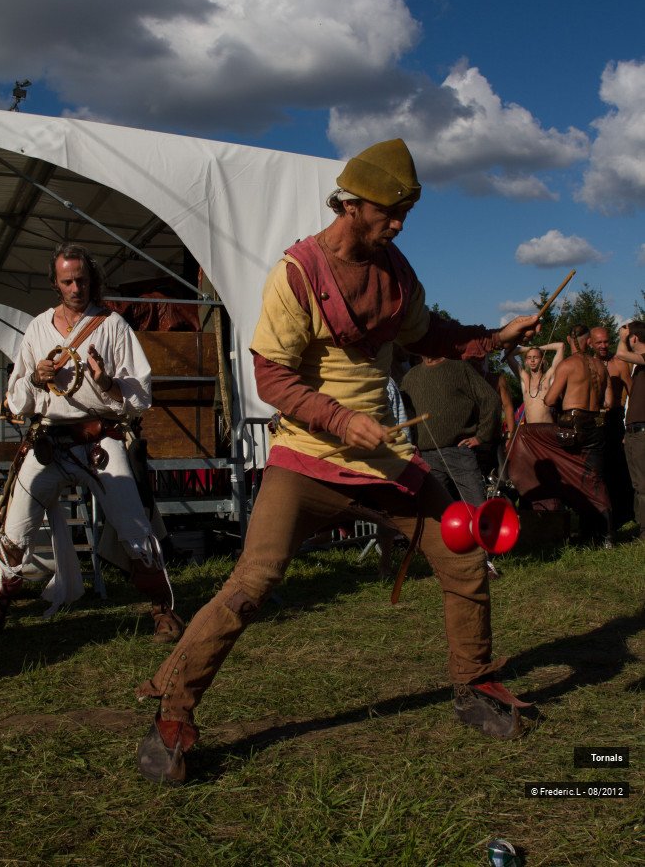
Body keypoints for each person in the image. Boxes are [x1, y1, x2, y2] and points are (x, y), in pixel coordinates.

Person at [135, 138, 540, 785]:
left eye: (407, 210)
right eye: (391, 208)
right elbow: (270, 376)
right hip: (306, 460)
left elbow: (426, 336)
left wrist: (494, 336)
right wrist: (338, 418)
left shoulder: (396, 273)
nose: (400, 222)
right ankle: (172, 712)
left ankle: (475, 685)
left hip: (385, 463)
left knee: (463, 558)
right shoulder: (296, 273)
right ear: (351, 203)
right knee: (250, 585)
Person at [0, 244, 184, 642]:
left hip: (100, 439)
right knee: (15, 531)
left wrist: (106, 381)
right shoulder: (38, 328)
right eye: (68, 281)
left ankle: (163, 610)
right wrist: (37, 378)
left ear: (93, 280)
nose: (76, 287)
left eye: (82, 280)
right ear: (55, 283)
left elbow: (140, 392)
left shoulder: (112, 326)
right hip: (48, 442)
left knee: (135, 528)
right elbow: (16, 396)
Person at [508, 324, 614, 545]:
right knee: (594, 478)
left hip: (574, 424)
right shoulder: (601, 367)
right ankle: (605, 534)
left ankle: (578, 525)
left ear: (570, 340)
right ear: (589, 342)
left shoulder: (568, 365)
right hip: (597, 424)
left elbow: (549, 400)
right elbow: (609, 402)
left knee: (562, 467)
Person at [401, 355, 501, 505]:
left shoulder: (459, 367)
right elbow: (403, 411)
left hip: (459, 451)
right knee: (435, 513)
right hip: (426, 457)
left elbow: (490, 398)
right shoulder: (410, 376)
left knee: (477, 509)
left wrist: (481, 436)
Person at [588, 326, 633, 527]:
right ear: (590, 343)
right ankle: (600, 515)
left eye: (606, 341)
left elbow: (633, 393)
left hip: (615, 419)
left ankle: (623, 515)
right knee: (597, 470)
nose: (604, 346)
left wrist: (630, 421)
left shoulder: (619, 364)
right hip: (593, 419)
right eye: (599, 342)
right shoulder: (586, 364)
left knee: (618, 468)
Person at [615, 321, 645, 541]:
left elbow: (620, 354)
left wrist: (622, 337)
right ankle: (641, 526)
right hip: (634, 430)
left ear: (634, 338)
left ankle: (644, 531)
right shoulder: (639, 367)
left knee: (643, 484)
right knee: (637, 483)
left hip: (643, 431)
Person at [506, 342, 565, 423]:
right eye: (529, 358)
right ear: (526, 361)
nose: (532, 360)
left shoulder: (548, 377)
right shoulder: (525, 379)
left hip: (546, 428)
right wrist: (530, 348)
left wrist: (538, 347)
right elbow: (508, 353)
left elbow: (560, 346)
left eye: (536, 357)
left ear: (542, 360)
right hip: (530, 430)